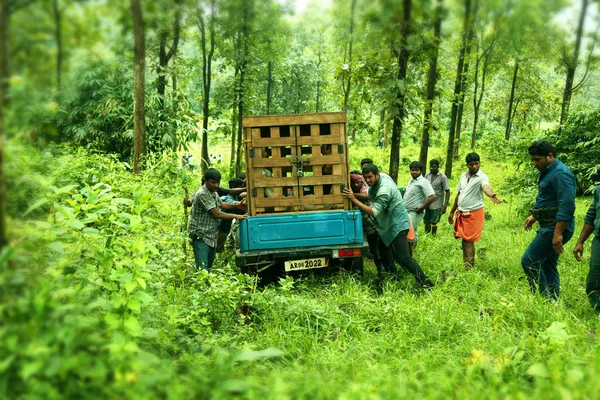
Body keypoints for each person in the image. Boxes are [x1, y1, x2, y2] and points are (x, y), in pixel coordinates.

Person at [343, 164, 434, 288]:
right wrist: (354, 195)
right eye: (365, 178)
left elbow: (374, 212)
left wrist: (353, 199)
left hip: (398, 225)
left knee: (403, 257)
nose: (368, 180)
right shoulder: (382, 178)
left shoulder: (384, 190)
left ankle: (425, 282)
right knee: (383, 250)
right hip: (387, 225)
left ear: (377, 175)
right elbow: (369, 195)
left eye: (370, 177)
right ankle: (393, 276)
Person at [521, 141, 576, 300]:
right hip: (547, 224)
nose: (534, 163)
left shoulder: (561, 174)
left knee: (529, 261)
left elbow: (567, 205)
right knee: (547, 264)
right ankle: (553, 300)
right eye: (532, 159)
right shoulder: (547, 171)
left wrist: (558, 233)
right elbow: (548, 199)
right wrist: (535, 216)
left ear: (550, 156)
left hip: (555, 227)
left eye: (537, 159)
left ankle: (543, 299)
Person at [186, 168, 247, 270]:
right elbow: (216, 213)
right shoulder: (203, 193)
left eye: (218, 182)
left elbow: (222, 204)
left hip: (211, 236)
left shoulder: (213, 192)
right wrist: (236, 216)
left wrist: (236, 206)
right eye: (213, 182)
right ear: (205, 181)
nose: (216, 185)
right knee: (202, 270)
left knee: (208, 269)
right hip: (201, 236)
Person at [448, 152, 500, 269]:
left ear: (480, 163)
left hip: (473, 212)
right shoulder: (463, 176)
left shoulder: (482, 177)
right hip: (462, 212)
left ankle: (468, 267)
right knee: (465, 240)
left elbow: (485, 186)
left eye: (477, 164)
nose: (475, 167)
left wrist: (490, 194)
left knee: (468, 240)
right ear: (467, 165)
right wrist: (452, 212)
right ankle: (468, 265)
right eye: (472, 164)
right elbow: (459, 194)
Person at [350, 172, 385, 274]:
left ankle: (383, 270)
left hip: (373, 225)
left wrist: (352, 196)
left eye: (358, 182)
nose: (356, 185)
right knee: (370, 250)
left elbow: (366, 196)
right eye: (353, 183)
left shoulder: (365, 189)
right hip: (362, 228)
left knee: (378, 250)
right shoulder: (352, 191)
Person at [574, 183, 600, 313]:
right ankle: (598, 313)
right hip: (599, 240)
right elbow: (592, 215)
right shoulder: (599, 190)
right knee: (594, 280)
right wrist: (580, 242)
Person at [403, 161, 436, 254]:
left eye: (416, 170)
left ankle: (408, 255)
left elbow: (432, 196)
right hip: (406, 211)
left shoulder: (424, 182)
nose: (414, 172)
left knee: (407, 232)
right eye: (412, 170)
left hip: (415, 212)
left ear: (421, 171)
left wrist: (422, 207)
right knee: (413, 231)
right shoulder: (411, 180)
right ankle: (411, 253)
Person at [424, 159, 450, 236]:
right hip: (427, 201)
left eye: (434, 167)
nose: (432, 168)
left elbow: (447, 191)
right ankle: (426, 235)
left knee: (434, 221)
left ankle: (433, 236)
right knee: (426, 219)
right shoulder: (427, 175)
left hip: (437, 203)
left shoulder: (443, 177)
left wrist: (445, 206)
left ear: (438, 167)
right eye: (431, 167)